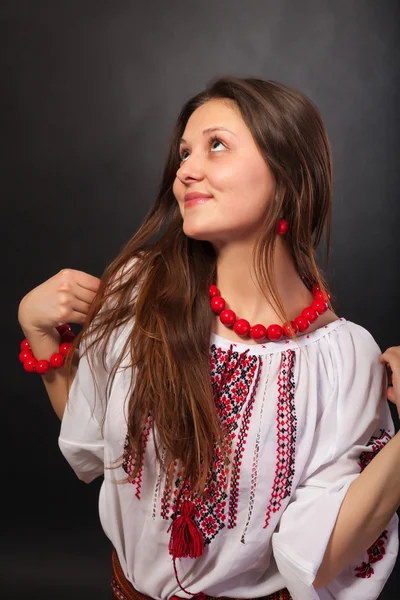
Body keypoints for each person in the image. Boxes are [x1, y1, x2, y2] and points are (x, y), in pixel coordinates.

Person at [17, 76, 400, 600]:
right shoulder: (141, 289)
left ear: (287, 172)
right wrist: (39, 333)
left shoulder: (344, 357)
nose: (185, 171)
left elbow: (318, 552)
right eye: (184, 152)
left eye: (216, 145)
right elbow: (98, 448)